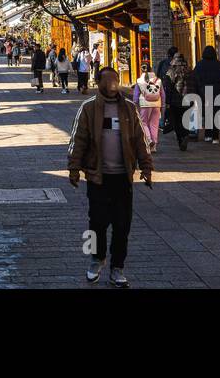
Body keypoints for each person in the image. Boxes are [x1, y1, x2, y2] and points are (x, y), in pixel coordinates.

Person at [68, 66, 152, 287]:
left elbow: (140, 140)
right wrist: (74, 168)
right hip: (98, 177)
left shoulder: (129, 109)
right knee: (96, 223)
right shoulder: (88, 109)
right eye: (108, 80)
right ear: (99, 82)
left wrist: (146, 166)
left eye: (115, 79)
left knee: (122, 225)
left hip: (122, 178)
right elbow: (78, 141)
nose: (113, 84)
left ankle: (117, 267)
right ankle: (96, 260)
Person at [192, 45, 220, 143]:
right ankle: (215, 137)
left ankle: (208, 135)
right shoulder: (219, 65)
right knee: (216, 114)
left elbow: (194, 78)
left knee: (208, 114)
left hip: (204, 92)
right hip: (217, 91)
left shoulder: (199, 65)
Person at [161, 51, 192, 151]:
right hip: (189, 99)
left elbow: (168, 88)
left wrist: (167, 101)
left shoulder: (171, 72)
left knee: (176, 121)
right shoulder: (189, 71)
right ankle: (186, 134)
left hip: (176, 101)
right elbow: (195, 84)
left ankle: (181, 139)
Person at [133, 62, 163, 151]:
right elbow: (162, 94)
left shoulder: (139, 81)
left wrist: (136, 105)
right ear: (151, 69)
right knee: (154, 124)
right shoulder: (158, 80)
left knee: (144, 123)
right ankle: (154, 145)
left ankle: (149, 140)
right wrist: (163, 105)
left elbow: (136, 96)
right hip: (157, 105)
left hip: (144, 105)